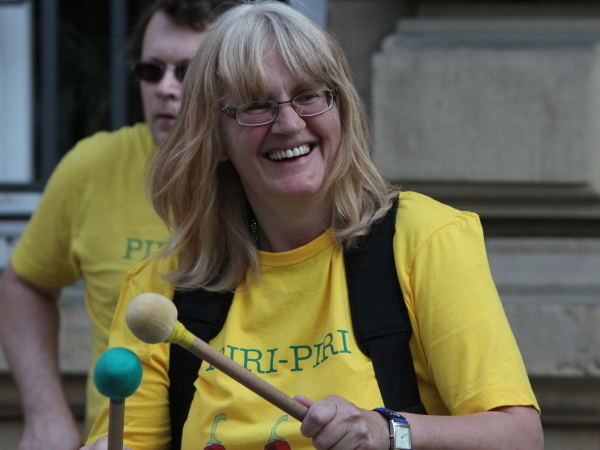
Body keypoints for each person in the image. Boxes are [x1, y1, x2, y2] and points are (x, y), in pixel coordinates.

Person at [84, 1, 544, 449]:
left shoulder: (423, 240)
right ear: (216, 137)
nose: (289, 123)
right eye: (256, 105)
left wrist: (387, 432)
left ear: (340, 109)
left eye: (308, 96)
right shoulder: (162, 292)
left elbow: (519, 437)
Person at [0, 1, 241, 449]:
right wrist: (45, 412)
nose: (165, 88)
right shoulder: (90, 167)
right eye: (151, 70)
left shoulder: (264, 176)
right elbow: (24, 284)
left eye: (187, 71)